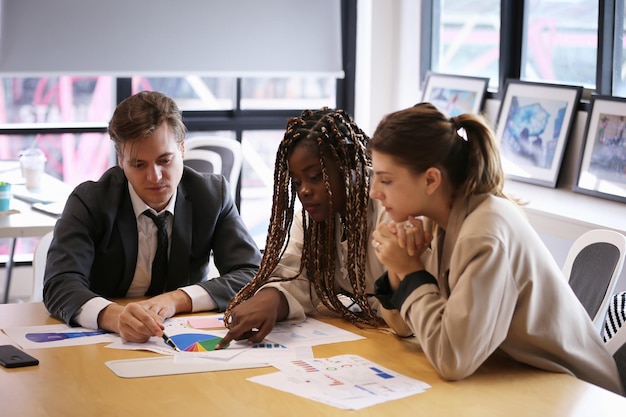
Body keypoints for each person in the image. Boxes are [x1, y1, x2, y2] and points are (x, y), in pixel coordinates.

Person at [367, 102, 624, 394]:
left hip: (579, 392)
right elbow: (405, 329)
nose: (375, 191)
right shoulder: (441, 221)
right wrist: (400, 269)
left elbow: (452, 358)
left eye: (386, 179)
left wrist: (411, 272)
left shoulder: (484, 233)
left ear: (430, 180)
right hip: (521, 379)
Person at [43, 91, 262, 343]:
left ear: (181, 148)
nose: (154, 177)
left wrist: (177, 299)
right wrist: (113, 316)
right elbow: (59, 283)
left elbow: (251, 272)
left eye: (165, 160)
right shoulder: (90, 201)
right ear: (121, 161)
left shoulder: (211, 196)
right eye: (138, 164)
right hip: (104, 341)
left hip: (182, 338)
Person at [215, 108, 411, 349]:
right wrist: (272, 299)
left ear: (347, 162)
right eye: (297, 182)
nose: (304, 191)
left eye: (316, 177)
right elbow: (298, 275)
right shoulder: (312, 220)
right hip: (371, 338)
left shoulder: (390, 208)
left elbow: (407, 314)